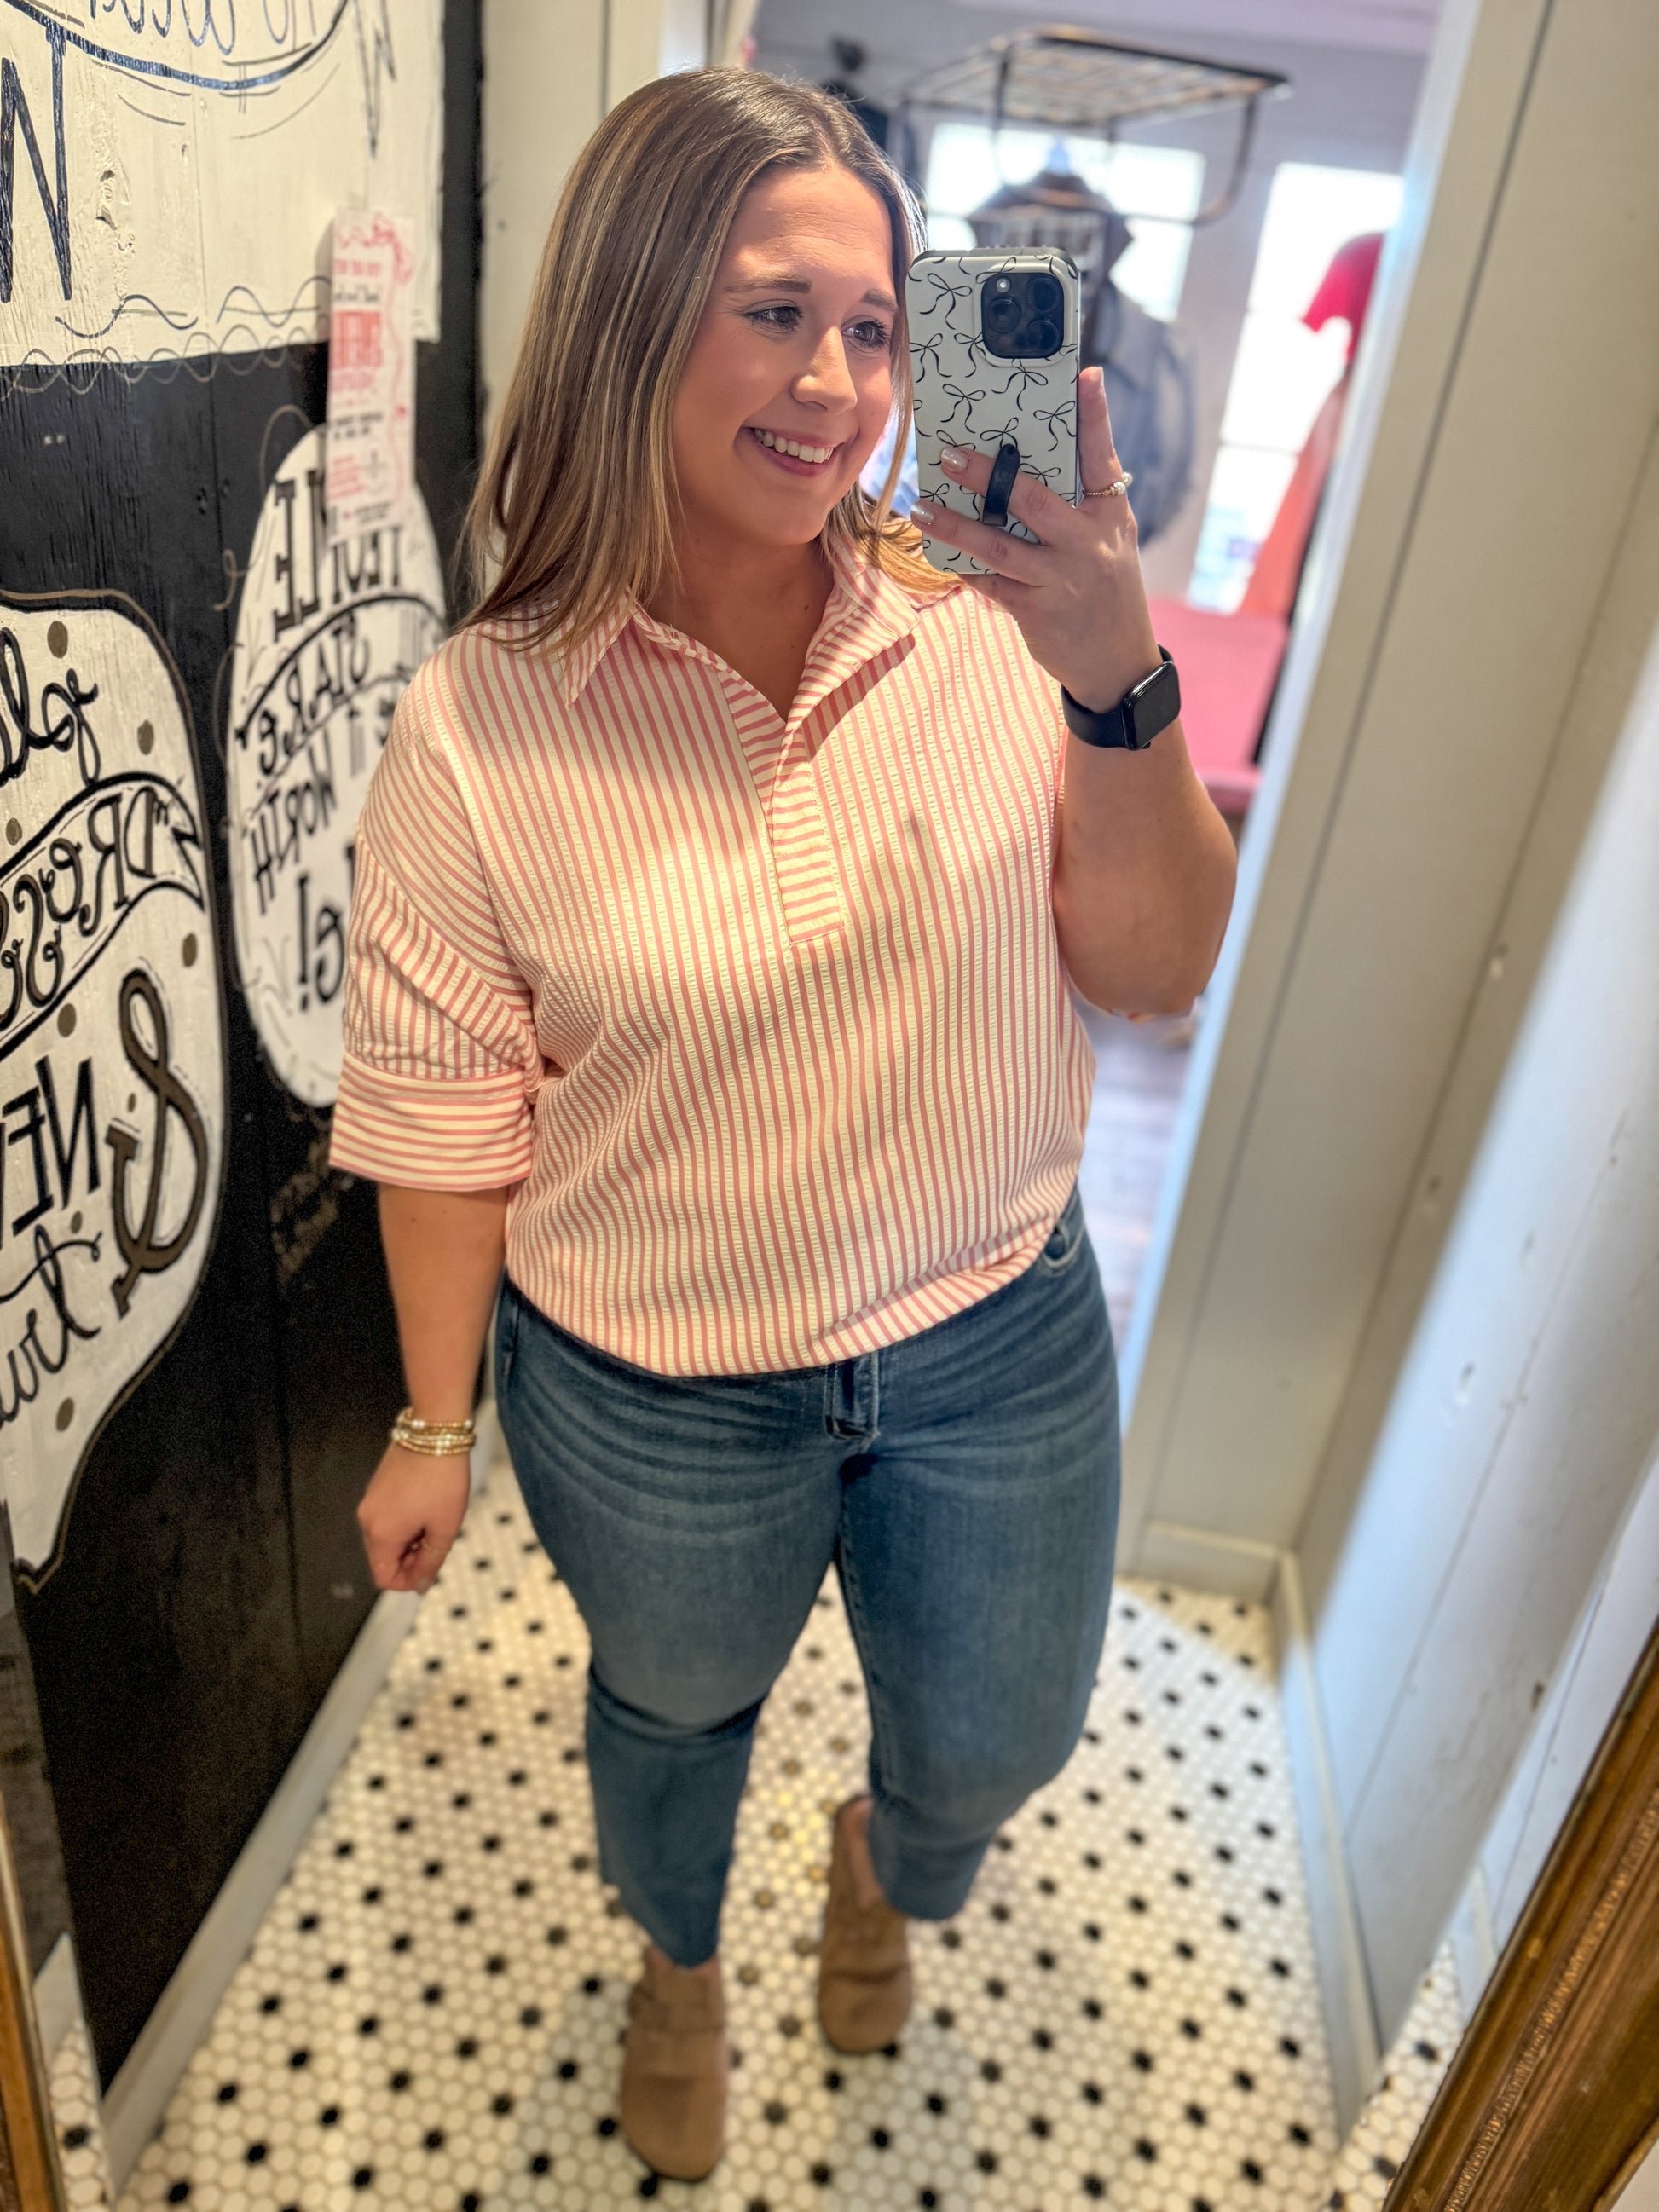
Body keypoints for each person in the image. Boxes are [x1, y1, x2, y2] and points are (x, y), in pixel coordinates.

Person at [331, 67, 1236, 2186]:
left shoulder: (991, 613)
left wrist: (1114, 672)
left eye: (866, 324)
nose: (837, 383)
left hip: (992, 1336)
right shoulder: (484, 719)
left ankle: (878, 1863)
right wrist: (434, 1415)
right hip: (650, 1383)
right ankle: (677, 1967)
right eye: (771, 314)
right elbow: (447, 1111)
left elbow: (1152, 966)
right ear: (637, 316)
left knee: (998, 1734)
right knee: (667, 1716)